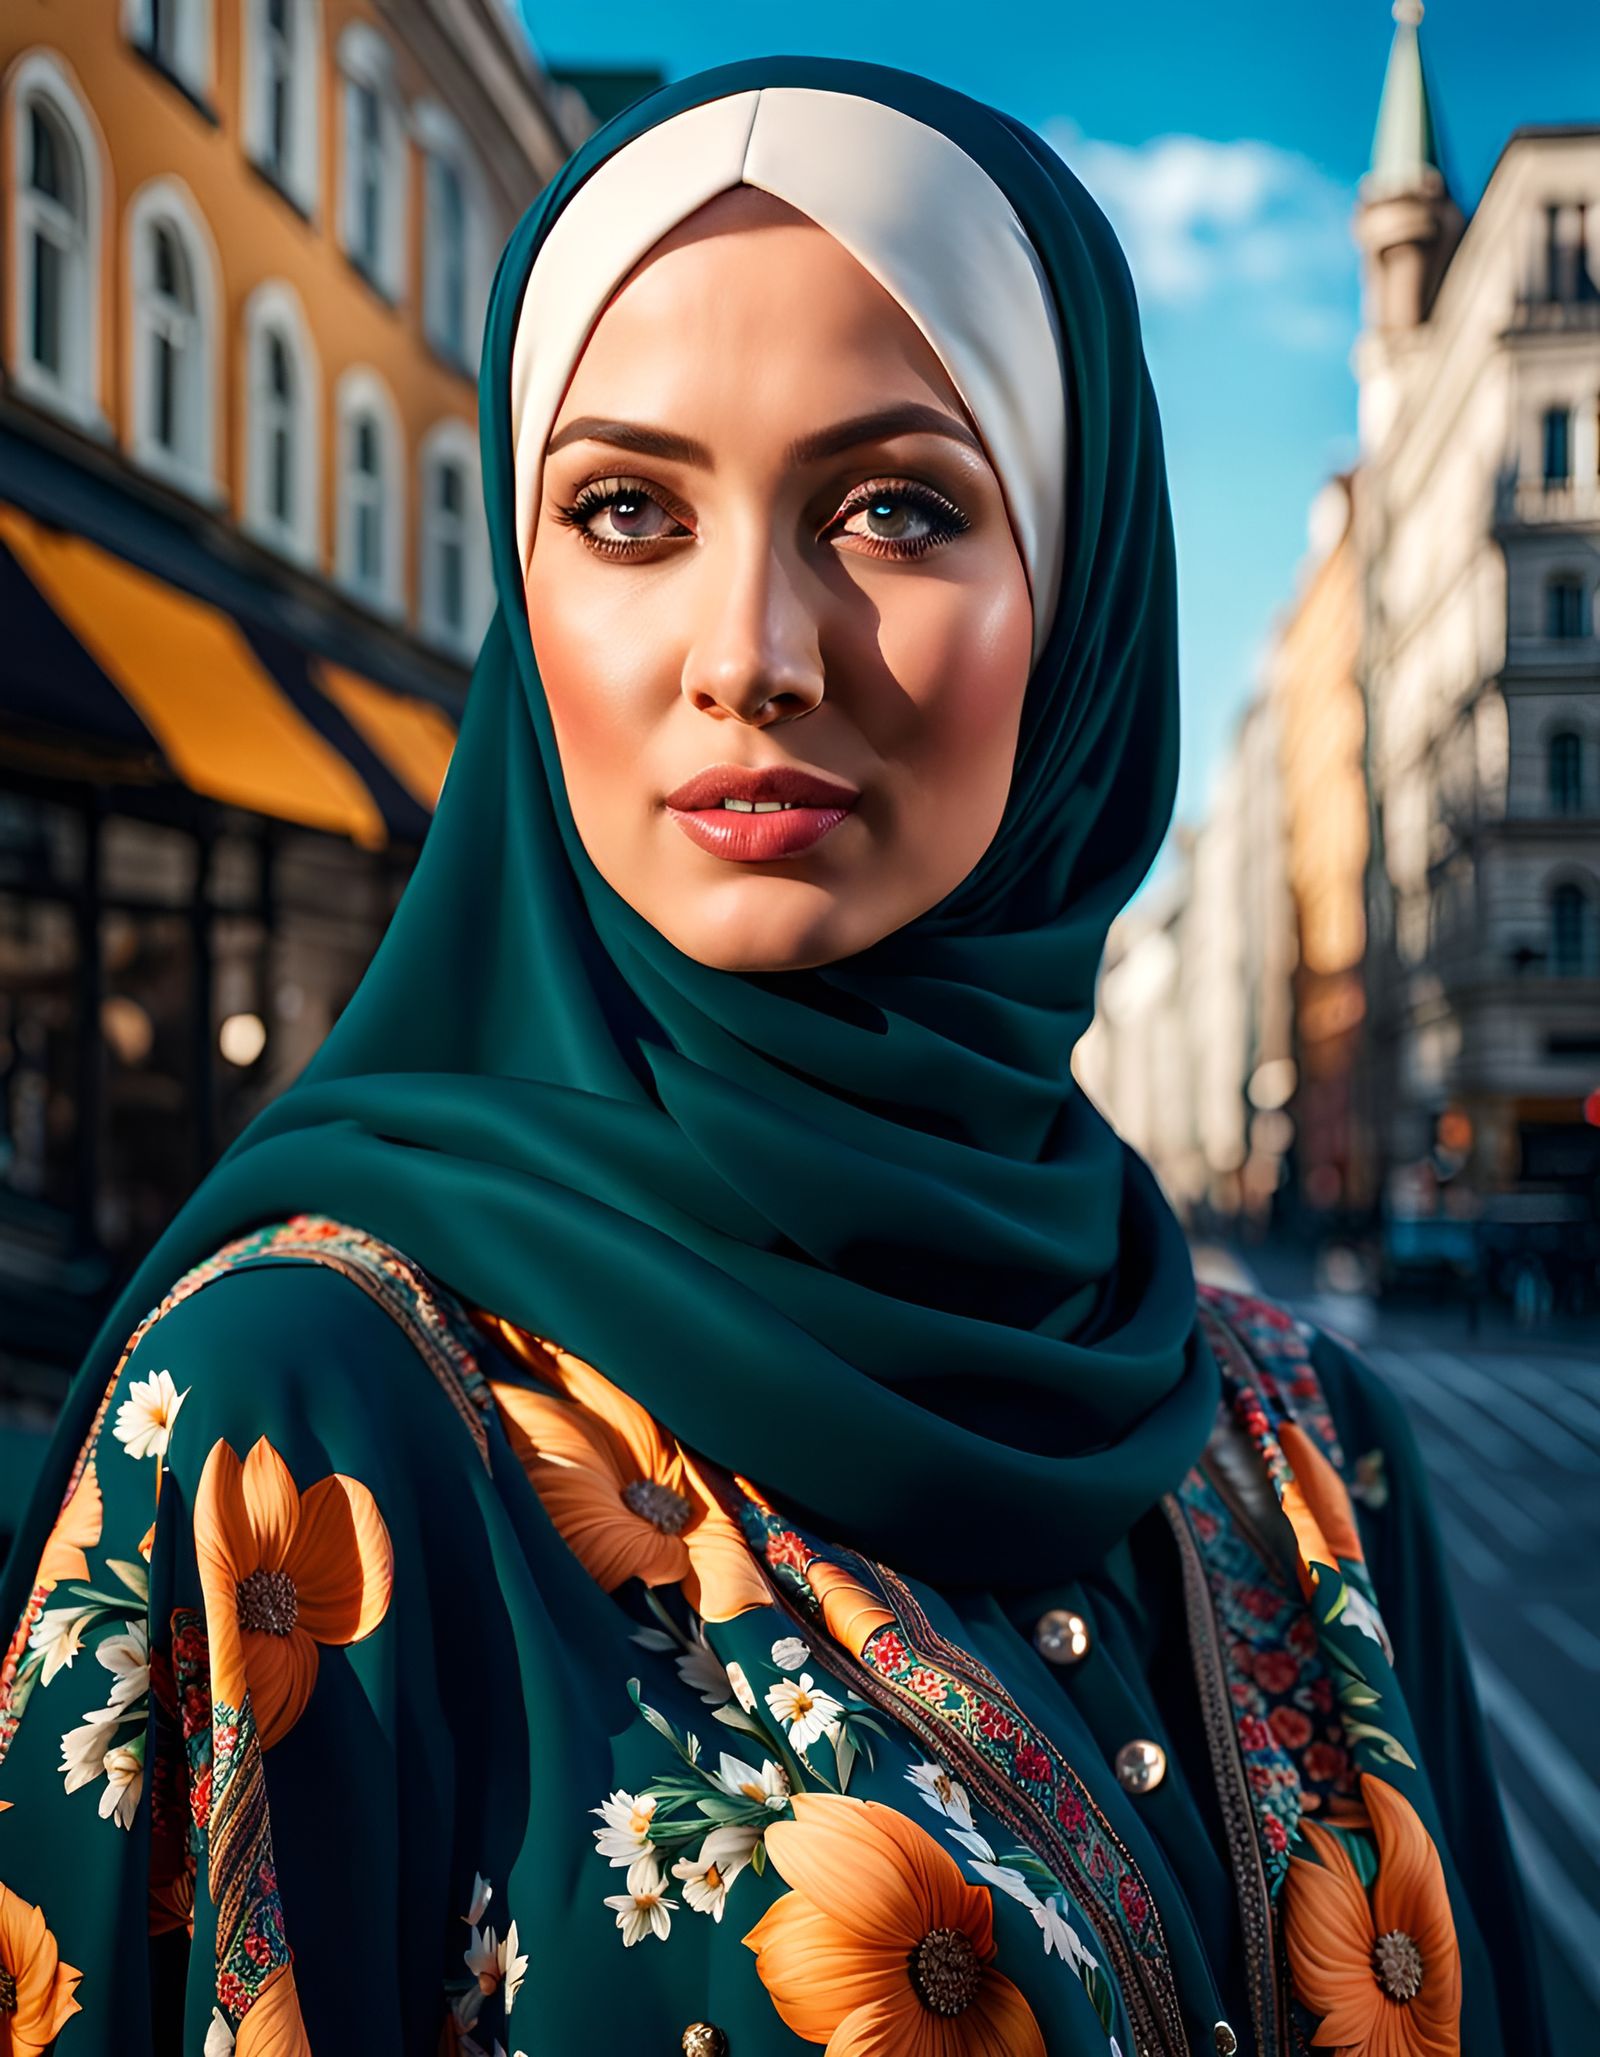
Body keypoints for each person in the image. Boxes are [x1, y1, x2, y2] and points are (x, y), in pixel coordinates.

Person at [0, 59, 1547, 2057]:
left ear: (1078, 606)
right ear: (523, 595)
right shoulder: (287, 1431)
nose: (752, 649)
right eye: (626, 508)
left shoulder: (1311, 1454)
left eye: (895, 504)